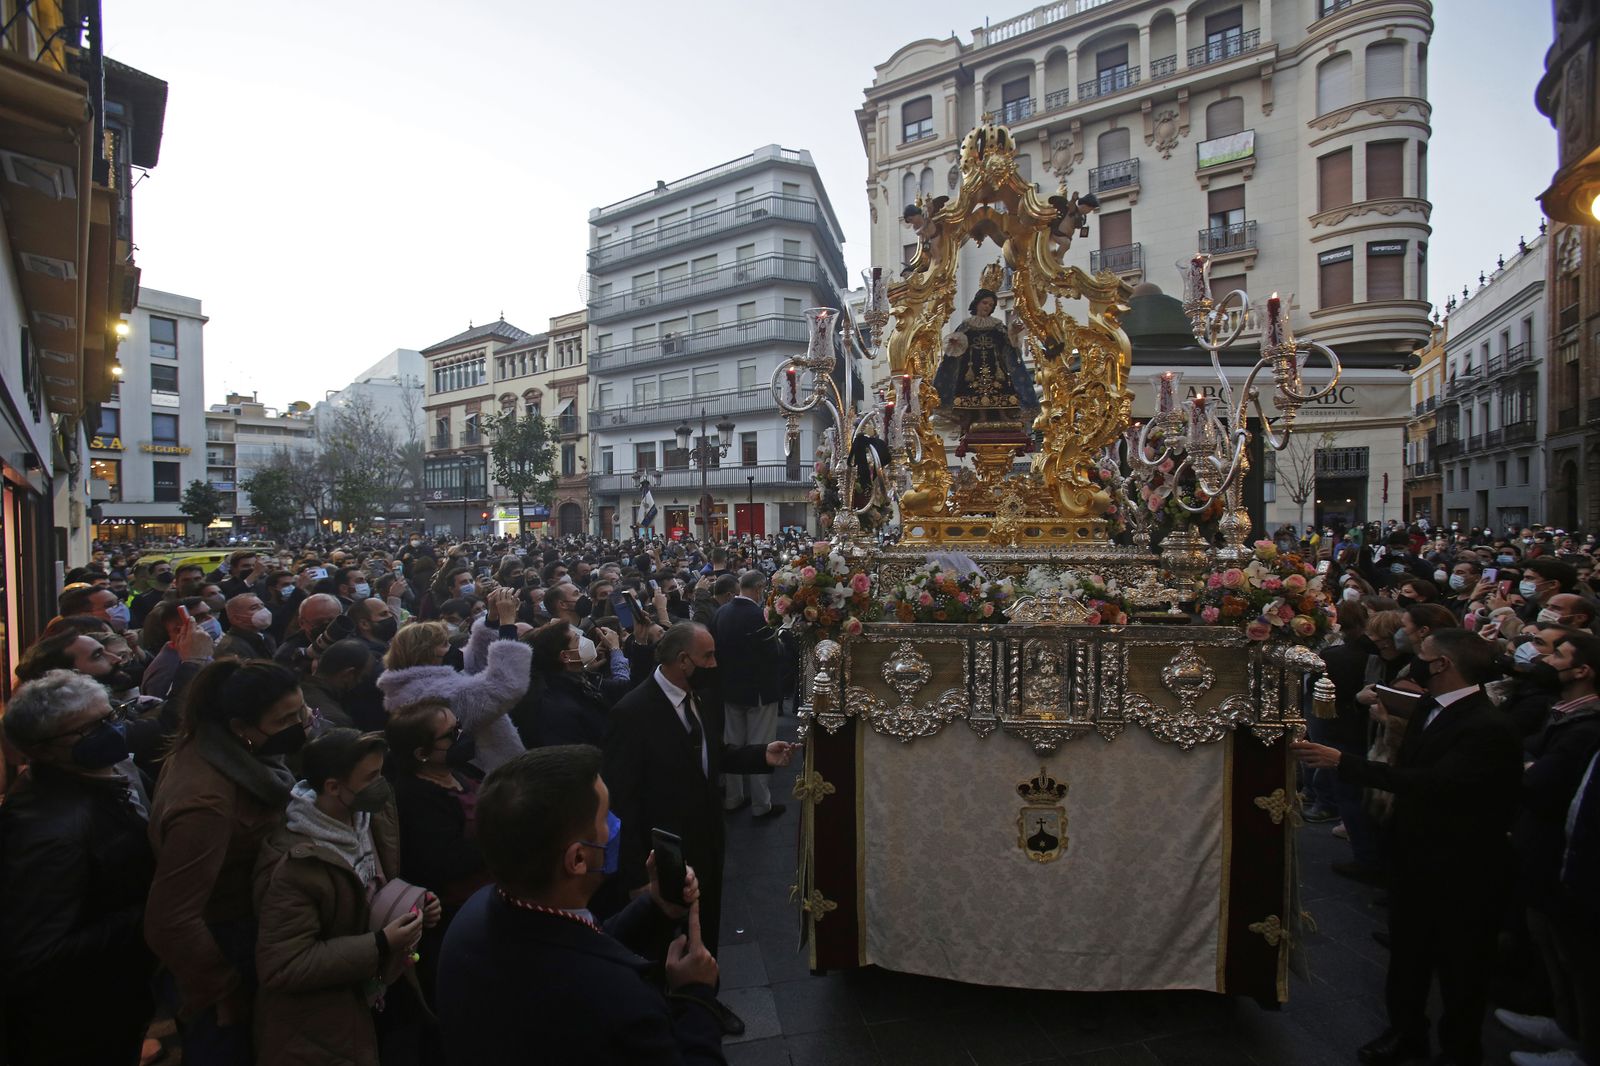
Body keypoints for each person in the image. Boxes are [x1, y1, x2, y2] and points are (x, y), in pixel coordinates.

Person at [1293, 628, 1523, 1066]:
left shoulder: (1487, 726)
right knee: (1409, 955)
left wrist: (1345, 763)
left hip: (1464, 865)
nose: (1414, 661)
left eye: (1423, 655)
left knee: (1460, 967)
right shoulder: (1430, 709)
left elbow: (1437, 783)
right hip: (1416, 852)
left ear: (1443, 665)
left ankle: (1460, 1050)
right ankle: (1405, 1032)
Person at [436, 745, 725, 1064]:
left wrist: (654, 907)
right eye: (606, 817)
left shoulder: (474, 917)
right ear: (577, 858)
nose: (615, 826)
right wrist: (695, 994)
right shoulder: (620, 1004)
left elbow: (577, 941)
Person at [604, 623, 795, 968]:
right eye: (707, 656)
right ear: (683, 661)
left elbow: (711, 754)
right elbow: (623, 801)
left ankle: (706, 996)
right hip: (665, 852)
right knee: (668, 940)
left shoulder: (703, 697)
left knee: (705, 926)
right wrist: (634, 878)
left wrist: (759, 755)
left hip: (708, 839)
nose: (714, 664)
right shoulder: (632, 713)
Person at [145, 659, 308, 1064]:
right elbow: (171, 919)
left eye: (301, 711)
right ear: (240, 726)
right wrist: (222, 989)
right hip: (223, 948)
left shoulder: (233, 754)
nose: (300, 723)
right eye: (286, 718)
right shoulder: (207, 803)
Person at [253, 728, 438, 1066]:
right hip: (333, 1018)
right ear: (333, 787)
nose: (381, 784)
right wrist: (380, 943)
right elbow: (283, 965)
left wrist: (413, 904)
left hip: (382, 989)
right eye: (372, 776)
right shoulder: (296, 862)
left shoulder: (368, 816)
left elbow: (373, 887)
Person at [0, 671, 155, 1066]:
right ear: (44, 749)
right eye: (92, 728)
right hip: (77, 1020)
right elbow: (37, 952)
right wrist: (148, 913)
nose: (113, 730)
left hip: (115, 995)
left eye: (112, 715)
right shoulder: (51, 833)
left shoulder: (104, 777)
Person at [1498, 628, 1600, 1064]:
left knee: (1581, 960)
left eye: (1557, 652)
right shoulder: (1563, 712)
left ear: (1583, 670)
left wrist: (1526, 766)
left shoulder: (1584, 726)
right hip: (1544, 844)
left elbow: (1539, 779)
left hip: (1563, 849)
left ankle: (1586, 1048)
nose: (1546, 657)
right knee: (1551, 943)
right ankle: (1565, 1024)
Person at [385, 699, 492, 1004]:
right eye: (450, 735)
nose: (461, 737)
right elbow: (446, 862)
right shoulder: (414, 798)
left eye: (459, 728)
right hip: (457, 918)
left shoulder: (459, 770)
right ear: (421, 754)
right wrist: (502, 834)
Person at [377, 605, 531, 774]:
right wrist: (507, 626)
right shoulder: (437, 694)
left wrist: (491, 620)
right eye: (444, 644)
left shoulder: (414, 683)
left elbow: (475, 661)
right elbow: (504, 686)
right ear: (425, 653)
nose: (451, 648)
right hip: (484, 770)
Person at [712, 570, 789, 819]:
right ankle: (761, 804)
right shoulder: (759, 616)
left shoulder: (721, 612)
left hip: (729, 689)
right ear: (758, 589)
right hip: (758, 691)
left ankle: (733, 798)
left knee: (732, 744)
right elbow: (773, 654)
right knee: (760, 746)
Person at [932, 287, 1038, 433]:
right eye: (985, 303)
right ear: (977, 304)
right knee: (972, 389)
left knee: (1000, 388)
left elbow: (1008, 343)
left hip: (996, 366)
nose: (987, 307)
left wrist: (1014, 331)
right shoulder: (966, 325)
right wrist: (955, 343)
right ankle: (976, 414)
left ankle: (1002, 413)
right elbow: (956, 346)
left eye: (990, 305)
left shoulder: (997, 325)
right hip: (971, 366)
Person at [214, 592, 278, 660]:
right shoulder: (231, 648)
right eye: (254, 608)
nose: (263, 610)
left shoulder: (265, 637)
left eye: (262, 606)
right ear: (237, 619)